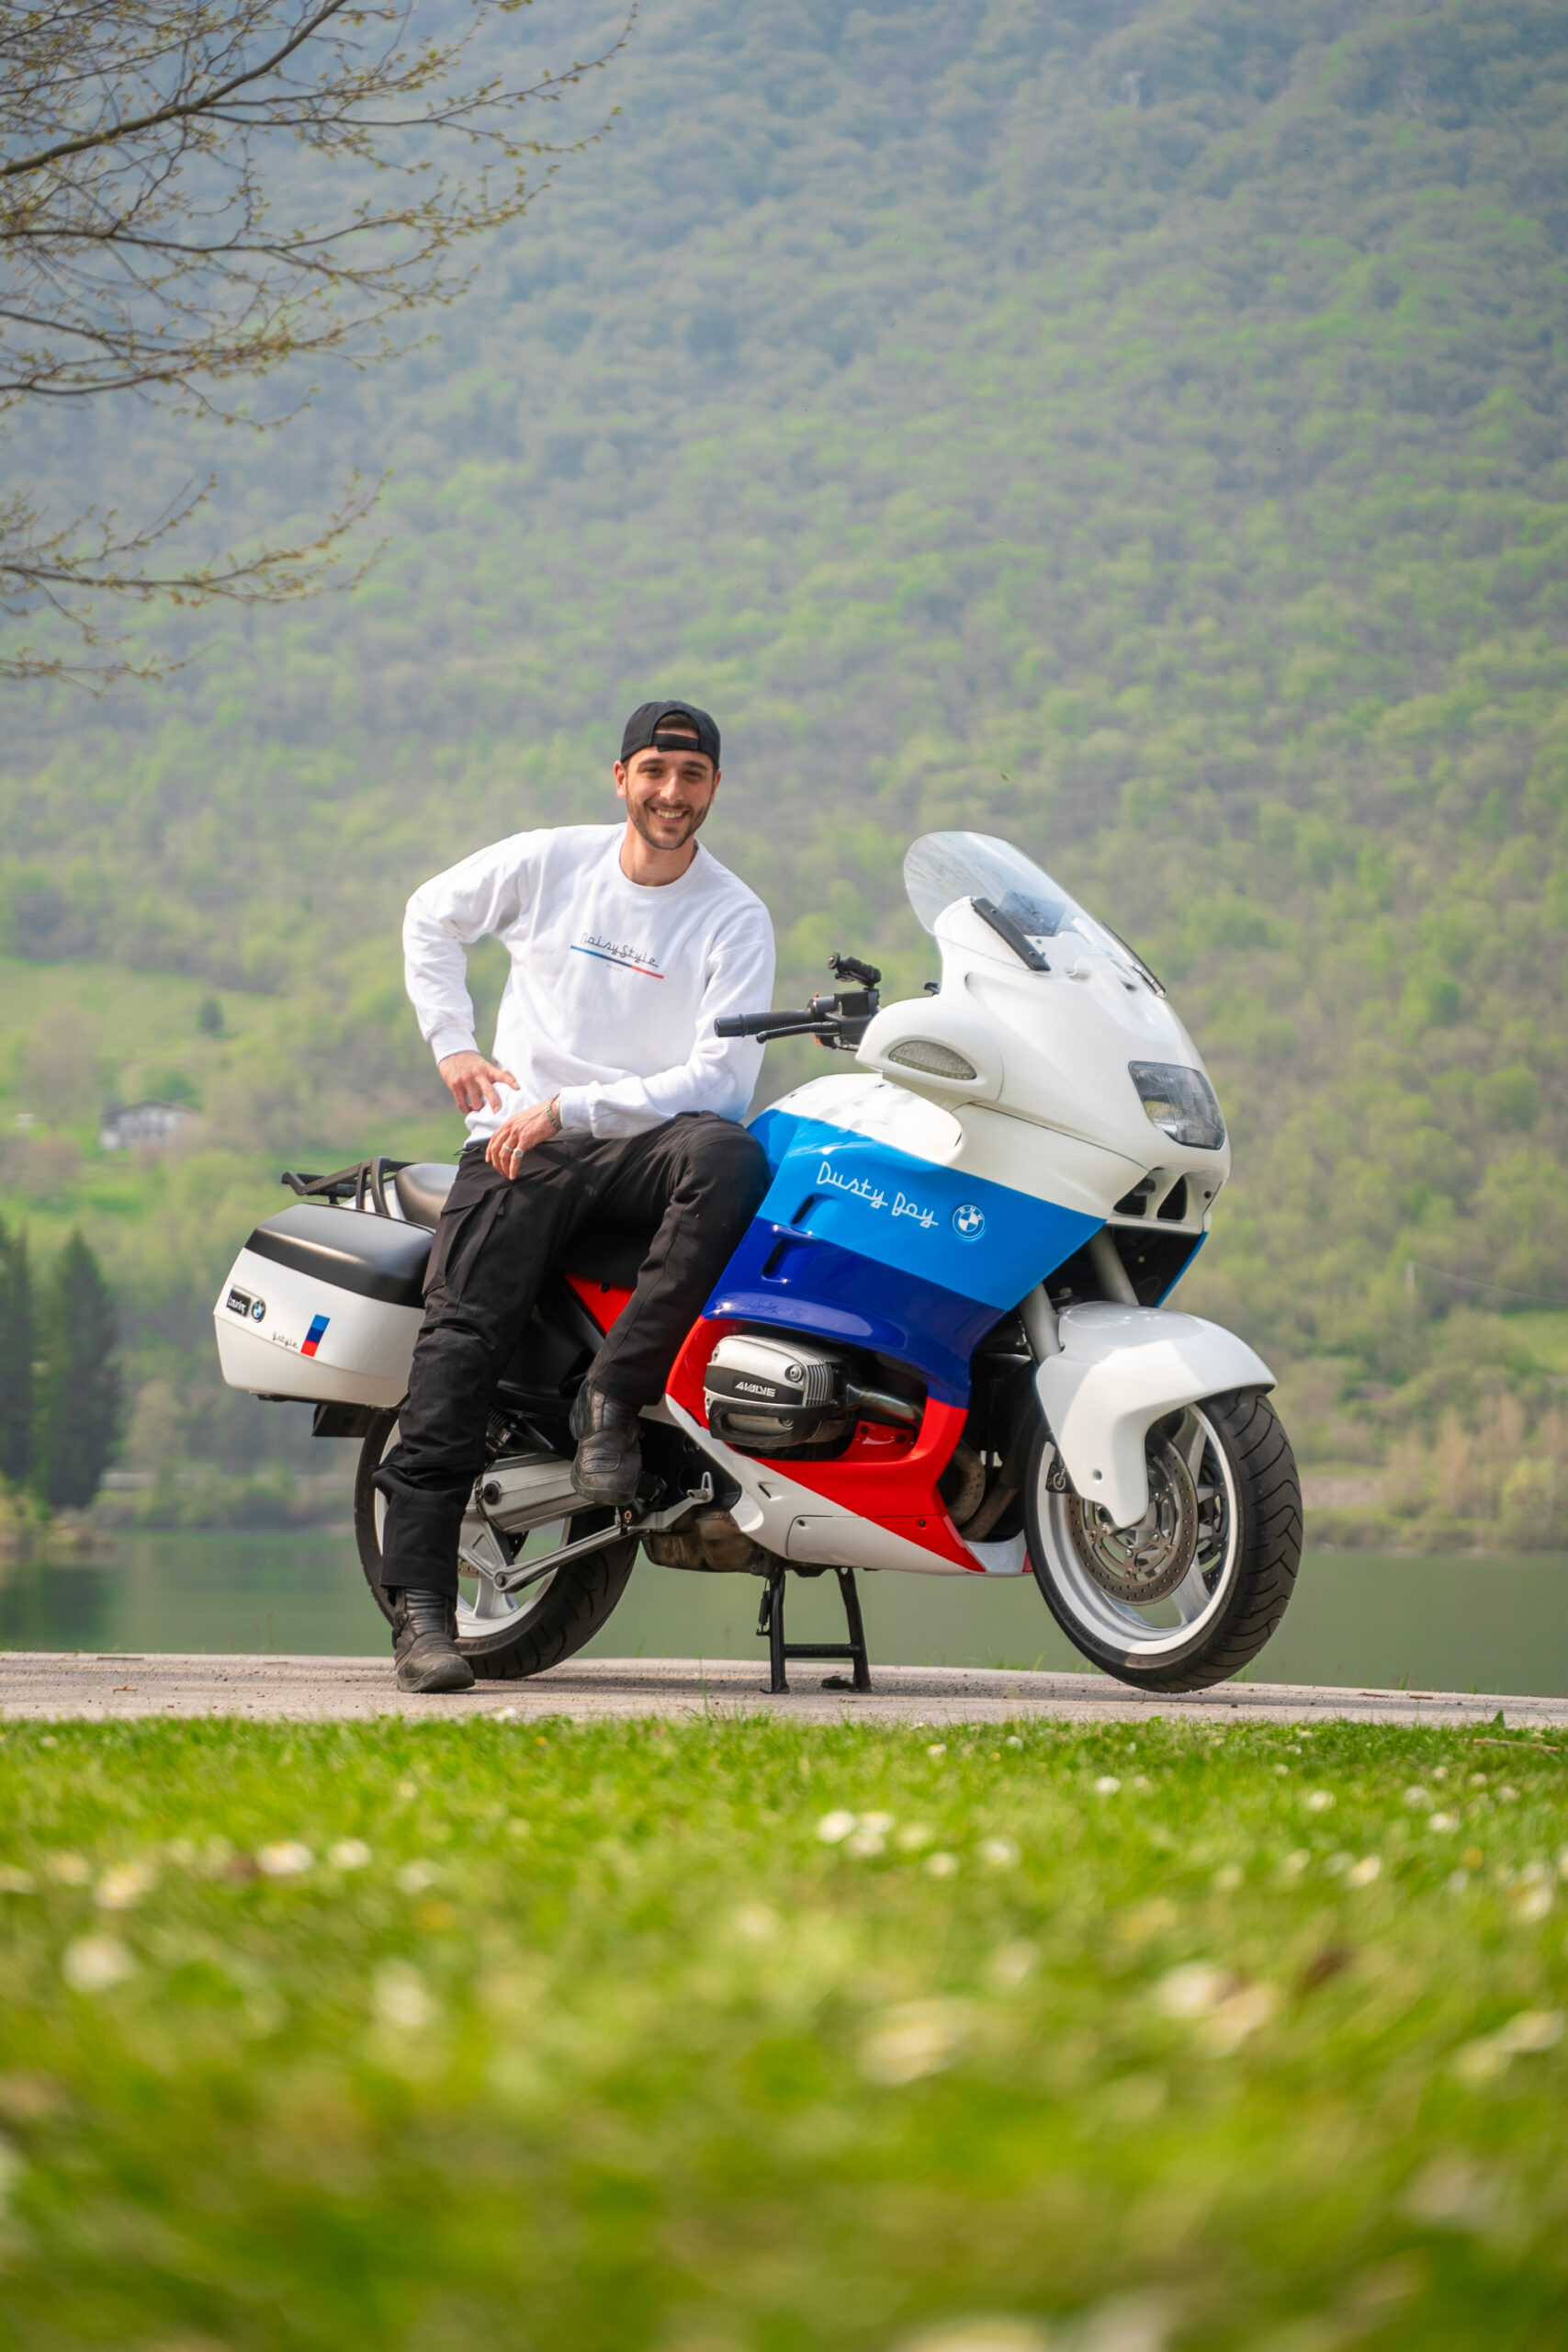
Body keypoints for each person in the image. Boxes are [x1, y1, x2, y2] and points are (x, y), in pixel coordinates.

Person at [375, 700, 775, 1692]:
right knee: (459, 1344)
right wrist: (453, 1045)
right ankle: (421, 1615)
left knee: (731, 1156)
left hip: (632, 1145)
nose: (671, 794)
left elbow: (722, 1081)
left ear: (715, 788)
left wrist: (575, 1107)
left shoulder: (733, 913)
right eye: (654, 772)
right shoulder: (552, 861)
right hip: (517, 1148)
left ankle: (614, 1393)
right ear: (621, 777)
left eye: (691, 777)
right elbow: (431, 914)